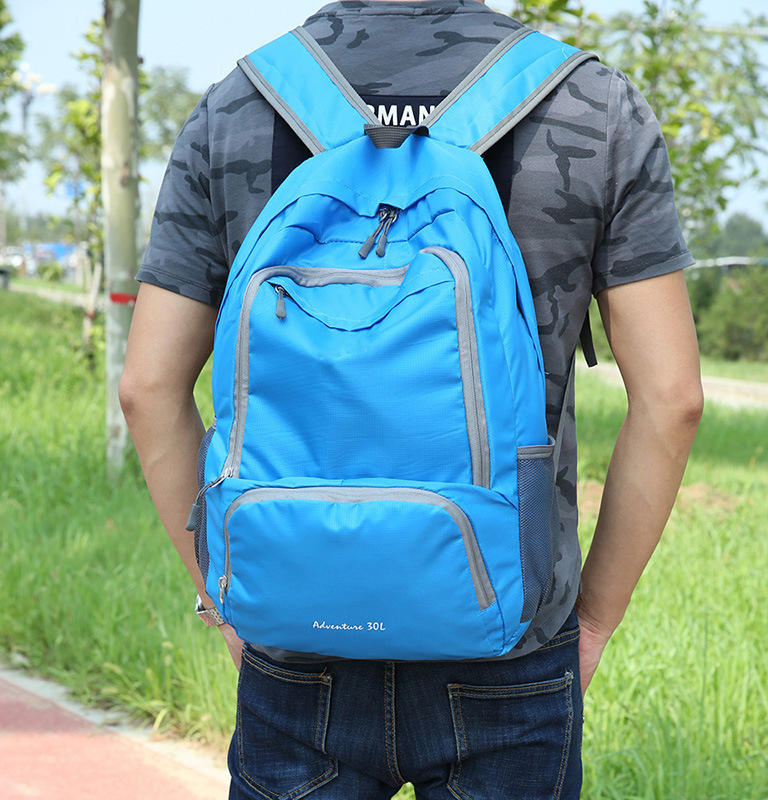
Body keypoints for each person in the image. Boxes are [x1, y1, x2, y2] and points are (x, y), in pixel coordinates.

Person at [119, 1, 704, 797]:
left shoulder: (238, 105)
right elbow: (671, 399)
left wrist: (224, 601)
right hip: (509, 636)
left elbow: (148, 388)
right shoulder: (591, 103)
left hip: (295, 629)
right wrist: (594, 620)